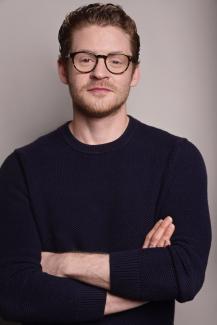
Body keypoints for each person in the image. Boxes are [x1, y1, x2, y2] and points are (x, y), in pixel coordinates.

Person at [0, 3, 211, 324]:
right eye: (85, 59)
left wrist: (63, 264)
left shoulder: (178, 159)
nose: (100, 72)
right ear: (63, 69)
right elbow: (14, 293)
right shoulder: (21, 169)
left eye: (116, 61)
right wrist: (142, 277)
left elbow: (184, 273)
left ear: (134, 72)